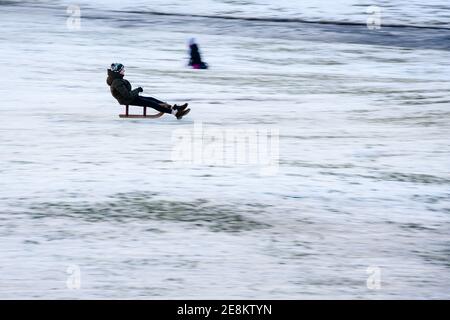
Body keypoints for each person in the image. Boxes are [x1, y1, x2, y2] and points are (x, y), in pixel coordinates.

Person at [106, 63, 190, 119]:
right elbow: (127, 95)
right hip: (127, 100)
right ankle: (175, 113)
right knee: (151, 103)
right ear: (118, 72)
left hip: (131, 98)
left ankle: (174, 108)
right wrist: (137, 90)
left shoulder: (117, 80)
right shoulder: (116, 82)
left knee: (152, 99)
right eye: (122, 70)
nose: (124, 71)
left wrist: (136, 92)